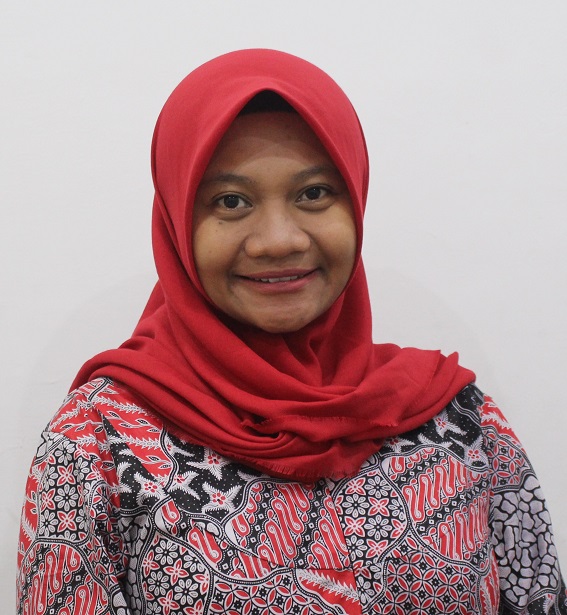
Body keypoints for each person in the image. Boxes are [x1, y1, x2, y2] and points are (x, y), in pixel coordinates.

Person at [17, 49, 566, 615]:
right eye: (231, 201)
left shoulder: (459, 421)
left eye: (313, 193)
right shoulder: (98, 443)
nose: (279, 240)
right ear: (178, 221)